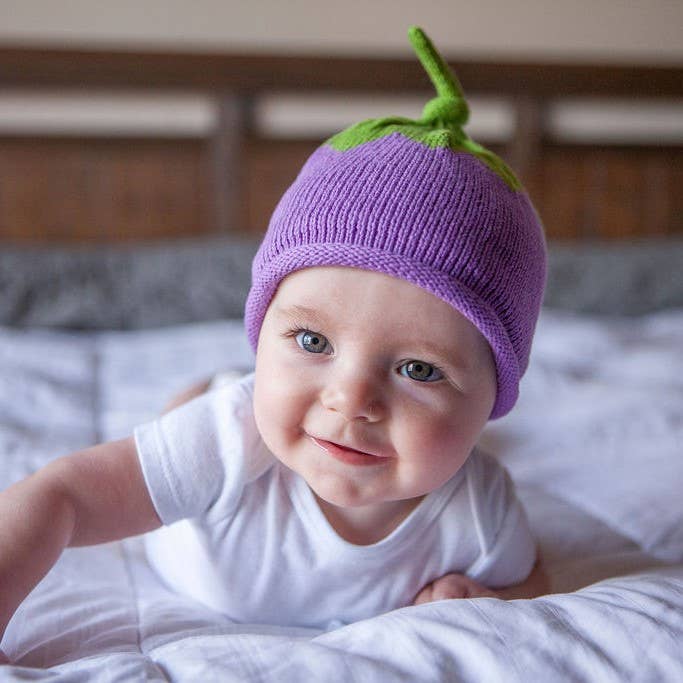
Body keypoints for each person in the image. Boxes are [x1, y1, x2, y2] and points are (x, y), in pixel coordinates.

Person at [0, 26, 548, 651]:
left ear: (494, 396)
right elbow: (59, 495)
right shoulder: (226, 442)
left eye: (420, 370)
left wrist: (492, 600)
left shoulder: (481, 510)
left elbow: (533, 583)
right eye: (313, 341)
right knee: (202, 410)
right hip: (222, 441)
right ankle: (204, 389)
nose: (350, 399)